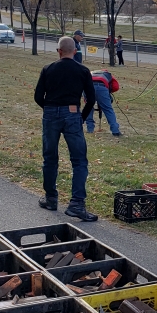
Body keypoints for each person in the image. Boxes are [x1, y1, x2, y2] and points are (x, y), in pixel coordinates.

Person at [33, 36, 97, 221]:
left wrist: (50, 108)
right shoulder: (83, 71)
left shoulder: (48, 69)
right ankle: (77, 203)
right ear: (75, 51)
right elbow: (91, 99)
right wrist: (81, 118)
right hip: (72, 114)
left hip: (51, 114)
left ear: (59, 51)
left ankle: (51, 198)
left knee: (50, 157)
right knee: (79, 160)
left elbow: (38, 96)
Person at [86, 69, 122, 137]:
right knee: (108, 109)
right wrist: (107, 93)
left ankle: (89, 129)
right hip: (101, 88)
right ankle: (115, 131)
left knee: (88, 108)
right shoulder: (108, 74)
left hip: (88, 87)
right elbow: (115, 86)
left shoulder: (91, 73)